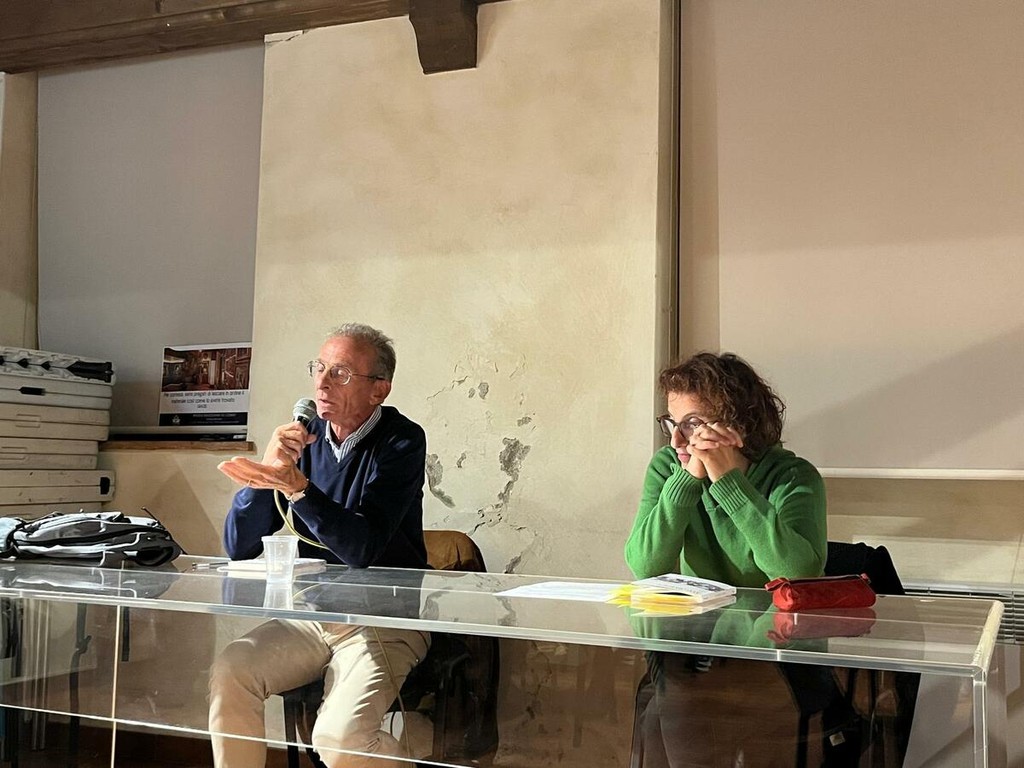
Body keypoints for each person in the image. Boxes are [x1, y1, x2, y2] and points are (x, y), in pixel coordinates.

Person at [209, 323, 430, 768]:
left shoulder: (402, 440)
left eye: (341, 373)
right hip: (313, 615)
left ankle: (418, 753)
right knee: (233, 669)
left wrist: (298, 488)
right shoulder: (305, 439)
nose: (322, 383)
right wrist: (269, 471)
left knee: (338, 739)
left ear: (379, 389)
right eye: (319, 368)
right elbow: (238, 545)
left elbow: (362, 548)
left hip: (384, 619)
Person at [625, 352, 856, 768]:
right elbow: (645, 563)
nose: (675, 441)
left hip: (776, 661)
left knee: (689, 714)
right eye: (671, 423)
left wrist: (730, 483)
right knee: (669, 716)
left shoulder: (793, 477)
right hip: (692, 655)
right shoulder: (668, 468)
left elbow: (797, 574)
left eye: (691, 424)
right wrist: (687, 479)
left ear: (737, 424)